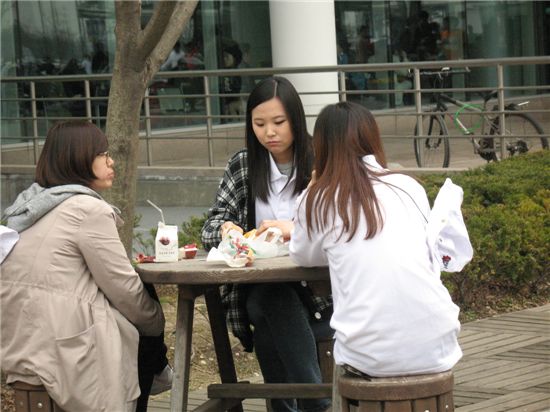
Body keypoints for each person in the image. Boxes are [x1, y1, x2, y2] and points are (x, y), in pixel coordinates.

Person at [0, 121, 170, 412]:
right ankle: (160, 374)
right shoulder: (86, 209)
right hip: (65, 351)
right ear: (77, 159)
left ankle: (158, 371)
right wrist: (157, 323)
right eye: (102, 154)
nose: (111, 161)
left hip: (21, 344)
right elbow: (124, 288)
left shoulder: (29, 206)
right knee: (144, 309)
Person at [289, 102, 463, 381]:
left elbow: (302, 256)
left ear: (320, 147)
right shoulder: (408, 186)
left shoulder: (318, 199)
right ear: (372, 138)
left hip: (368, 356)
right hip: (438, 344)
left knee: (345, 348)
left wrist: (311, 189)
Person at [201, 76, 333, 412]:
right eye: (259, 124)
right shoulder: (245, 164)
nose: (268, 133)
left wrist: (296, 227)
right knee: (271, 298)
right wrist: (227, 230)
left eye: (278, 122)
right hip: (259, 286)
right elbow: (212, 224)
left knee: (271, 315)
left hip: (320, 291)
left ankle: (293, 406)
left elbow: (340, 221)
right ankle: (315, 403)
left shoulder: (321, 159)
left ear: (296, 120)